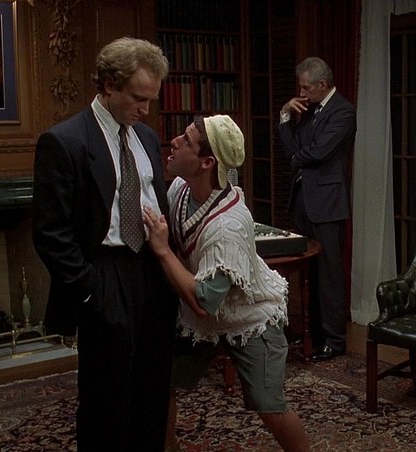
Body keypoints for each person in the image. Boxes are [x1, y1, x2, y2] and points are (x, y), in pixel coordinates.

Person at [32, 37, 177, 451]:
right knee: (106, 401)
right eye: (138, 98)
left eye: (151, 100)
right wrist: (91, 291)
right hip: (104, 275)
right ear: (110, 85)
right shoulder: (65, 141)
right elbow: (50, 233)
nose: (145, 109)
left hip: (151, 272)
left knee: (151, 394)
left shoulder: (145, 136)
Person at [142, 114, 309, 452]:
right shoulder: (180, 189)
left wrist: (162, 251)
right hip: (203, 318)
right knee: (160, 381)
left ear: (206, 163)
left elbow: (204, 301)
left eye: (186, 141)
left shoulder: (227, 227)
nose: (174, 141)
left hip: (248, 317)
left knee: (268, 404)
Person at [276, 56, 356, 361]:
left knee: (329, 275)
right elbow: (293, 148)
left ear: (323, 84)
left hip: (328, 203)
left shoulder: (343, 111)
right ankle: (312, 333)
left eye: (306, 87)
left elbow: (318, 152)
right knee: (309, 271)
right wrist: (285, 115)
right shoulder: (308, 110)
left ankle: (334, 340)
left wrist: (296, 158)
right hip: (303, 200)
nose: (301, 93)